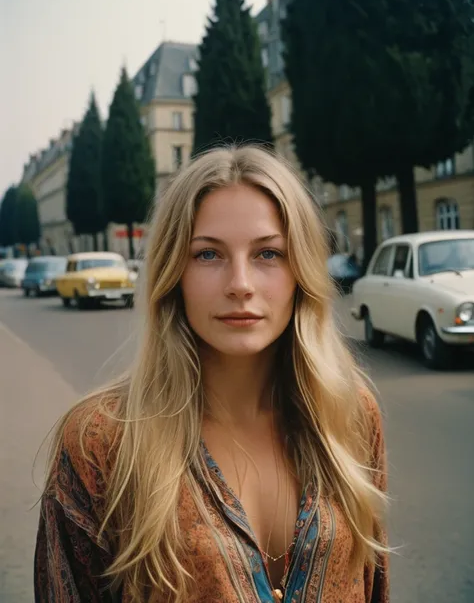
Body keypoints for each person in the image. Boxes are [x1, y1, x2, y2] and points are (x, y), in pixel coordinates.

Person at [34, 145, 389, 602]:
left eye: (268, 254)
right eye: (207, 255)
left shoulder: (351, 413)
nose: (240, 283)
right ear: (172, 272)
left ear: (300, 270)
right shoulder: (99, 442)